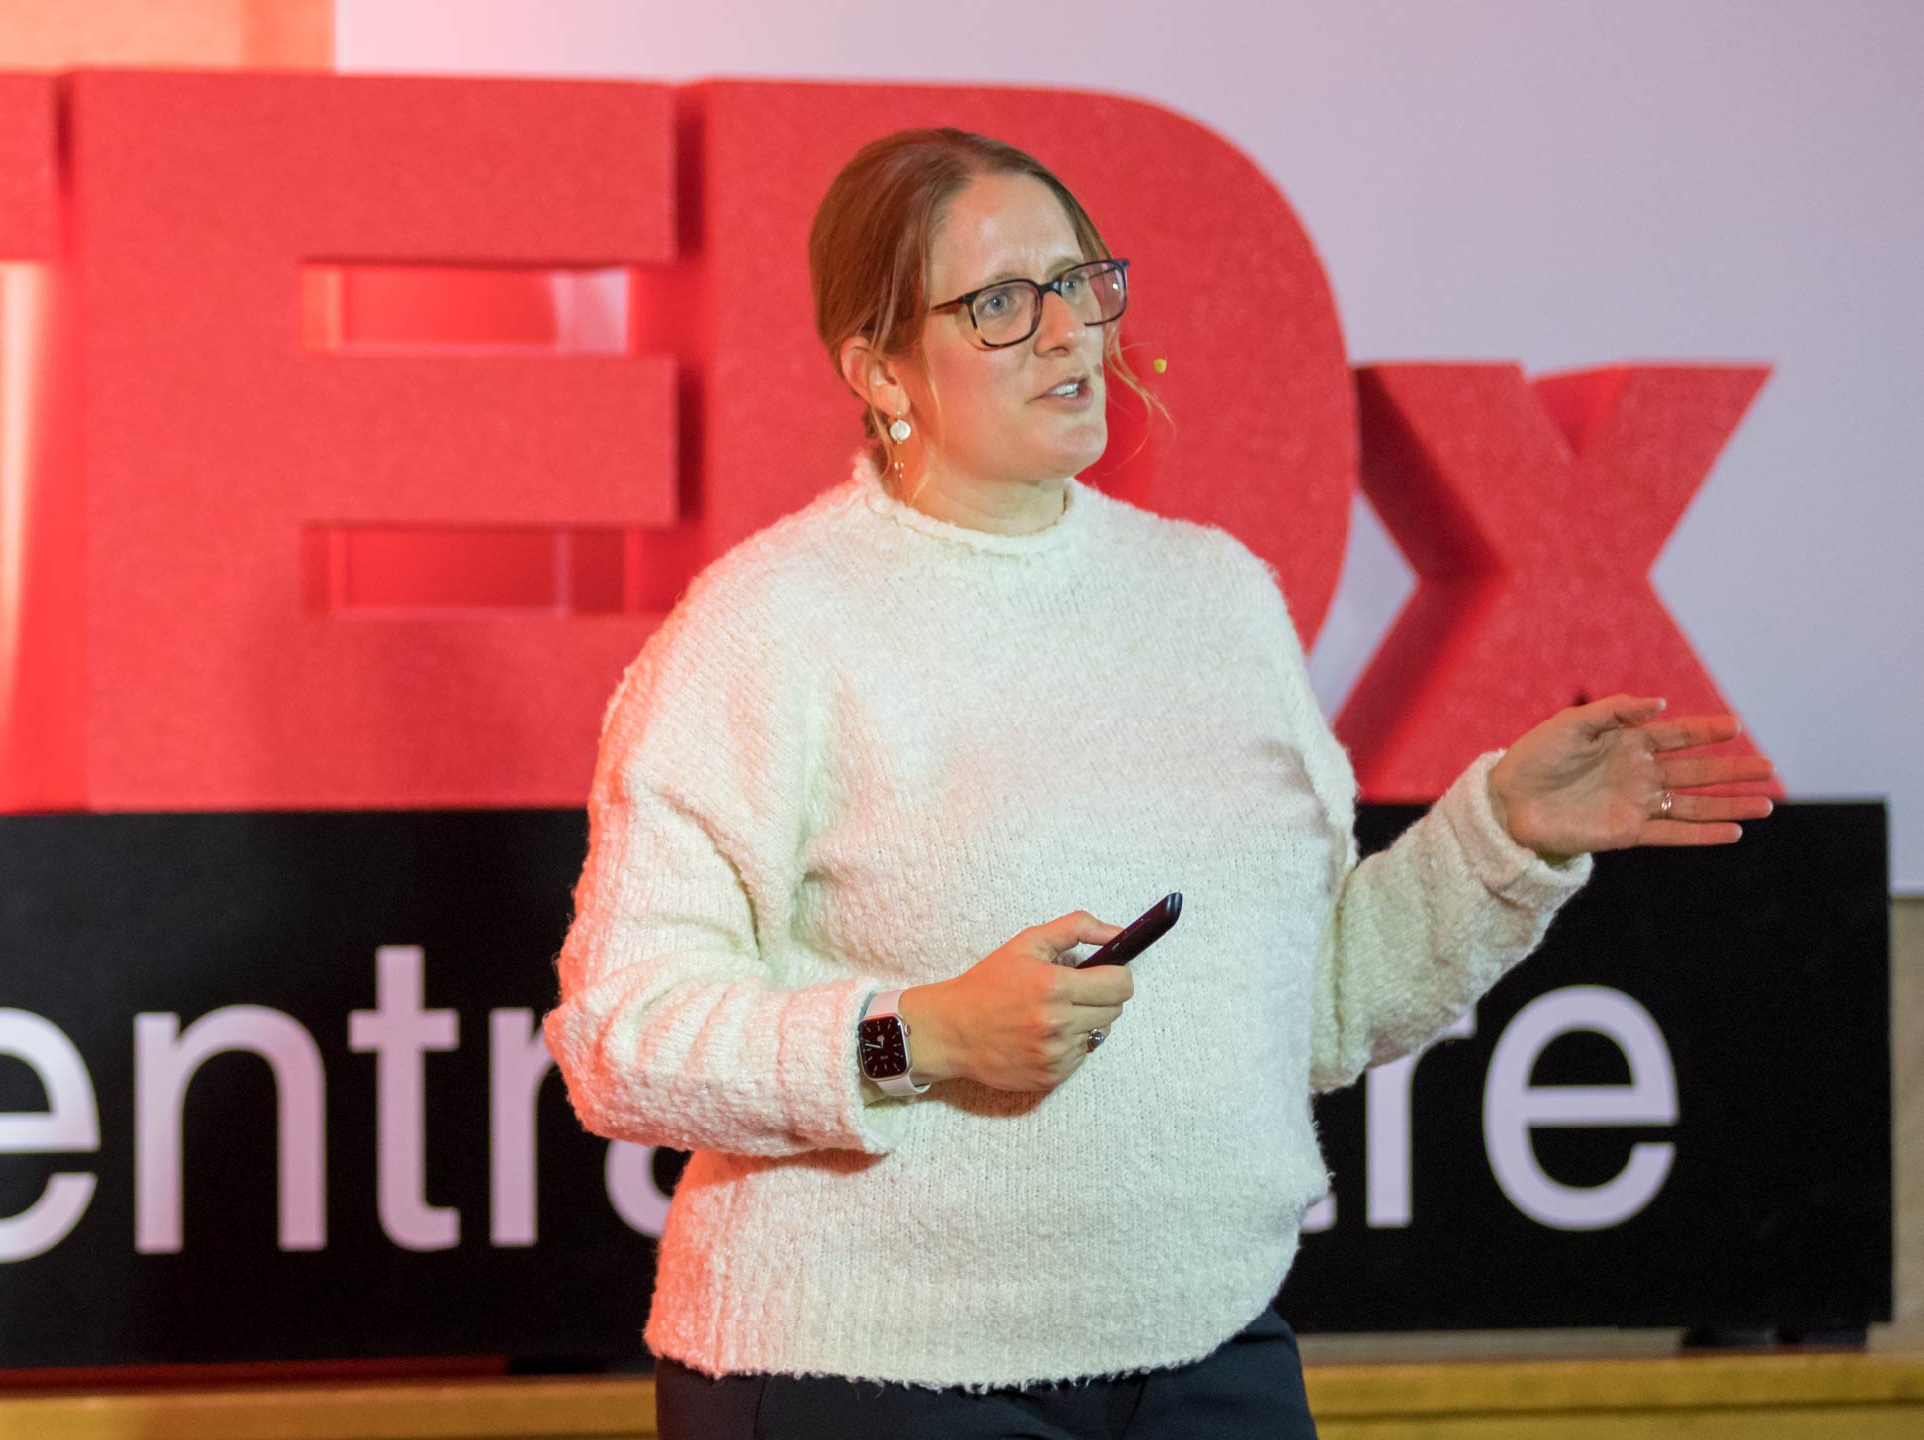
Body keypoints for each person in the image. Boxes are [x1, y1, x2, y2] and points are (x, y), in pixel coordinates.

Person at [541, 127, 1776, 1439]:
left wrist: (1499, 836)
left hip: (1206, 1346)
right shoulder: (766, 628)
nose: (1071, 334)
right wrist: (925, 1034)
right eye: (1002, 305)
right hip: (858, 1375)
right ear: (880, 368)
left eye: (1080, 283)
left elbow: (1306, 1013)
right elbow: (619, 1045)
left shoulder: (1216, 597)